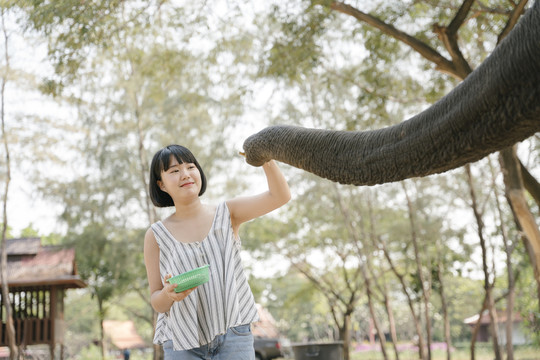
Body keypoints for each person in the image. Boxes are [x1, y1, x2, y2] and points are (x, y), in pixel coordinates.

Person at [144, 144, 290, 360]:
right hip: (182, 342)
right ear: (161, 185)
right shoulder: (156, 235)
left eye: (190, 167)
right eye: (174, 171)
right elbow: (157, 301)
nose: (185, 174)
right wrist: (168, 294)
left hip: (234, 334)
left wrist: (265, 157)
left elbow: (280, 196)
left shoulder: (228, 213)